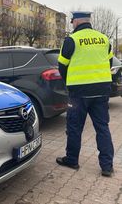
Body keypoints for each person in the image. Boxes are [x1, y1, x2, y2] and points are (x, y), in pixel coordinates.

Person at [56, 11, 114, 177]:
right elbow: (109, 62)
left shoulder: (71, 40)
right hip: (101, 91)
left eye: (72, 21)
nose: (72, 24)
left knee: (74, 128)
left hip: (79, 92)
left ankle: (72, 160)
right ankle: (107, 166)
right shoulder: (104, 38)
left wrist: (70, 83)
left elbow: (62, 66)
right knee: (102, 128)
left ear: (77, 21)